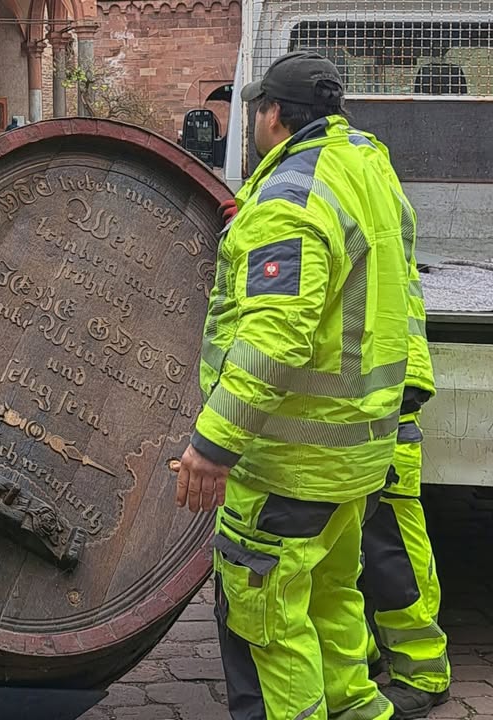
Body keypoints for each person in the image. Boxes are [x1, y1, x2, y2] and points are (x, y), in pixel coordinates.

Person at [174, 51, 413, 720]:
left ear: (272, 115)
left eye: (255, 109)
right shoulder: (366, 169)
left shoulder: (292, 198)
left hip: (290, 461)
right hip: (354, 454)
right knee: (335, 605)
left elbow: (275, 339)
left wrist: (213, 446)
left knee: (267, 623)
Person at [353, 130, 451, 718]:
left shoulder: (357, 190)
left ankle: (422, 668)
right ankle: (363, 658)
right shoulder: (371, 181)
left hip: (386, 396)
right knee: (356, 539)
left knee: (387, 541)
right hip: (378, 391)